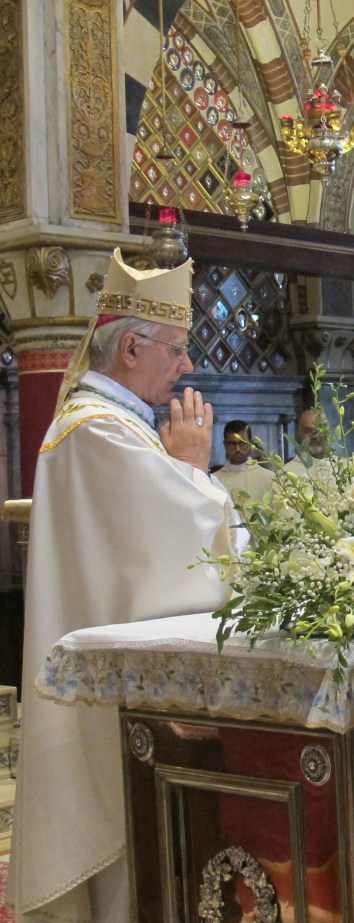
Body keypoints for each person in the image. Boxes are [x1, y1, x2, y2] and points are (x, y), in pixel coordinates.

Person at [10, 250, 237, 923]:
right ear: (132, 346)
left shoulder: (117, 427)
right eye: (176, 347)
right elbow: (184, 538)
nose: (187, 365)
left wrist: (186, 476)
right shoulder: (99, 432)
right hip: (106, 709)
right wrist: (195, 469)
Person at [213, 419, 274, 505]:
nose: (237, 449)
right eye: (232, 444)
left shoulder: (269, 478)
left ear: (250, 443)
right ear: (225, 445)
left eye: (242, 443)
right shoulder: (214, 480)